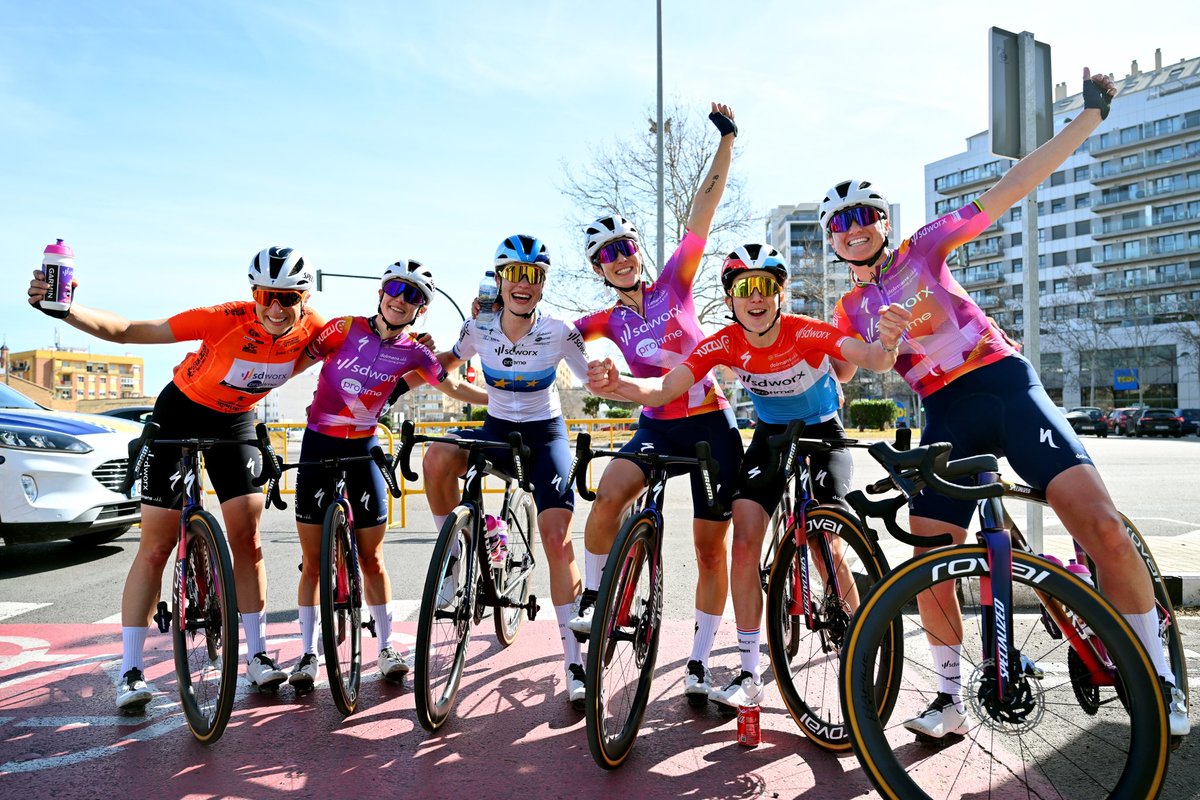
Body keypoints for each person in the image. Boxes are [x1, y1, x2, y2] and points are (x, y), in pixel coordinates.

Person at [822, 68, 1188, 738]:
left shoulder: (925, 247)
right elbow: (854, 368)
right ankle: (950, 701)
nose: (855, 228)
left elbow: (1009, 188)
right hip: (946, 413)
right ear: (830, 239)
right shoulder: (849, 306)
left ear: (883, 222)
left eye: (865, 215)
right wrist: (862, 349)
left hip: (1003, 383)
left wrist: (1090, 119)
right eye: (840, 222)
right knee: (928, 560)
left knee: (1100, 524)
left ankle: (1159, 676)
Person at [589, 244, 908, 707]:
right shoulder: (723, 343)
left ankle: (860, 648)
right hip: (771, 435)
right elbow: (664, 387)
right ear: (731, 299)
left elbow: (874, 359)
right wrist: (617, 384)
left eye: (765, 287)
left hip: (822, 435)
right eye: (744, 288)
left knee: (825, 543)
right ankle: (748, 671)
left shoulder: (807, 330)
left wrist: (890, 340)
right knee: (742, 537)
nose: (754, 297)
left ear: (779, 294)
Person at [26, 246, 326, 710]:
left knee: (246, 538)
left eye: (287, 298)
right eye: (267, 294)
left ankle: (258, 656)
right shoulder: (221, 318)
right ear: (254, 293)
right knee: (157, 545)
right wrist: (65, 310)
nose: (275, 307)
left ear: (305, 297)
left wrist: (424, 346)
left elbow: (373, 343)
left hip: (235, 421)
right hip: (178, 414)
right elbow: (128, 331)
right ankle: (130, 670)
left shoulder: (315, 331)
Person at [569, 102, 746, 705]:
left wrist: (725, 141)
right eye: (607, 255)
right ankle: (595, 598)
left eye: (625, 247)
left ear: (637, 250)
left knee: (708, 546)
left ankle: (698, 661)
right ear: (598, 269)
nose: (619, 258)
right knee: (607, 495)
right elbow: (547, 336)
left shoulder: (676, 281)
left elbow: (705, 208)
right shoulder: (603, 318)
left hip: (710, 427)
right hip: (655, 424)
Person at [284, 260, 486, 692]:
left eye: (412, 295)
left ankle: (386, 647)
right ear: (381, 292)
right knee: (314, 564)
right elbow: (295, 363)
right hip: (319, 443)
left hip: (364, 448)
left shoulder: (414, 351)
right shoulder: (342, 328)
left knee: (372, 557)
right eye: (395, 287)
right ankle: (307, 654)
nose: (400, 298)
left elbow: (451, 386)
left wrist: (506, 401)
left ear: (421, 310)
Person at [421, 234, 595, 707]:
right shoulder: (478, 327)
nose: (523, 284)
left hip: (544, 436)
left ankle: (575, 660)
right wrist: (414, 355)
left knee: (557, 539)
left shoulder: (560, 331)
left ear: (541, 284)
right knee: (435, 458)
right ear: (500, 280)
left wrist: (639, 383)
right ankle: (455, 558)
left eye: (533, 276)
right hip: (495, 430)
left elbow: (595, 380)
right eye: (514, 274)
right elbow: (445, 367)